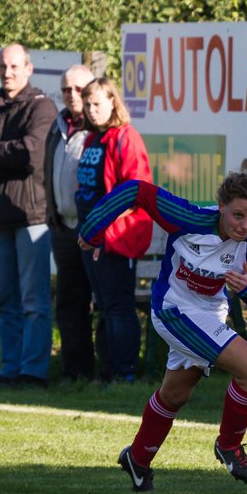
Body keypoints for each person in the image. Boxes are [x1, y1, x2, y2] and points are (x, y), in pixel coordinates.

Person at [78, 173, 247, 492]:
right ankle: (229, 446)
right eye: (238, 215)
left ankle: (137, 459)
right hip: (173, 311)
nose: (245, 225)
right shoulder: (189, 217)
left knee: (174, 395)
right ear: (221, 207)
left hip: (210, 315)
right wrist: (93, 230)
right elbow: (136, 190)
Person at [0, 44, 59, 388]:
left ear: (29, 69)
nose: (8, 72)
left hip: (31, 216)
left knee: (34, 300)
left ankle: (33, 372)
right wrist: (5, 156)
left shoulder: (41, 106)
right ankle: (10, 369)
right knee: (5, 301)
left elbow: (33, 153)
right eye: (3, 66)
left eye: (15, 66)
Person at [74, 77, 153, 382]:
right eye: (87, 104)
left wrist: (104, 231)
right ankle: (107, 372)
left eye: (97, 104)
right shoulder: (94, 139)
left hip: (116, 237)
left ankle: (124, 373)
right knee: (103, 306)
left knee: (119, 306)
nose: (92, 110)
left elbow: (136, 191)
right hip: (90, 236)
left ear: (112, 102)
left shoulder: (126, 137)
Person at [44, 64, 98, 381]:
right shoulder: (58, 126)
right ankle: (74, 373)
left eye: (79, 89)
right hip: (64, 228)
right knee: (68, 305)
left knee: (102, 303)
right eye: (66, 89)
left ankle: (110, 375)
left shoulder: (101, 130)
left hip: (95, 233)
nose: (72, 95)